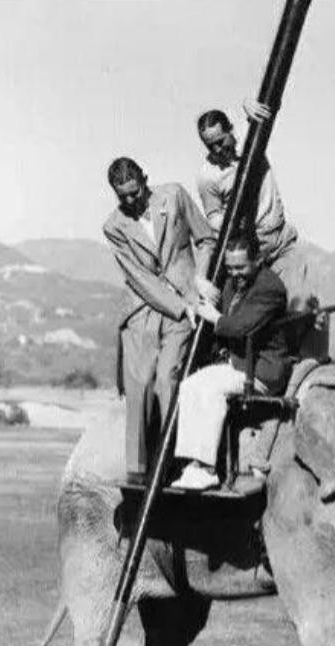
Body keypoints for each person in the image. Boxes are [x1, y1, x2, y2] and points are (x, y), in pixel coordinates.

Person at [103, 156, 217, 484]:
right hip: (145, 305)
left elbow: (206, 239)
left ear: (145, 179)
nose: (130, 201)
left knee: (168, 377)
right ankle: (138, 470)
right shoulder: (114, 226)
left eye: (135, 192)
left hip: (187, 301)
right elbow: (139, 277)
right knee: (139, 383)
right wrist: (178, 306)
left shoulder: (175, 196)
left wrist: (199, 283)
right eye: (122, 196)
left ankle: (172, 461)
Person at [196, 101, 329, 357]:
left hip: (281, 242)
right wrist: (232, 221)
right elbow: (212, 216)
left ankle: (306, 363)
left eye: (220, 141)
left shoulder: (251, 141)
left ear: (230, 130)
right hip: (250, 256)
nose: (217, 149)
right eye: (210, 145)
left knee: (301, 304)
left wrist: (249, 106)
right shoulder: (207, 176)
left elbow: (260, 114)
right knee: (251, 316)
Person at [171, 234, 291, 491]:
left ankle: (207, 468)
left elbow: (241, 327)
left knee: (210, 389)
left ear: (257, 260)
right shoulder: (234, 283)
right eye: (230, 268)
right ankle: (194, 462)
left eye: (240, 267)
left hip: (260, 370)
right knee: (189, 385)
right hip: (238, 363)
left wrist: (214, 317)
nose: (235, 274)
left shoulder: (270, 288)